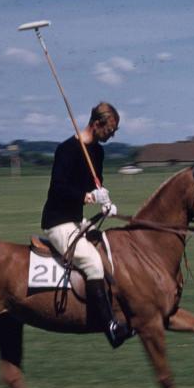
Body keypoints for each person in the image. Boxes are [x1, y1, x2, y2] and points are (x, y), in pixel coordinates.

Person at [41, 102, 132, 348]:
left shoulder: (98, 153)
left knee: (109, 250)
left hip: (77, 220)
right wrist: (87, 197)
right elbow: (58, 188)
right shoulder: (67, 150)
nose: (112, 135)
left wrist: (104, 200)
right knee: (92, 263)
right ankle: (110, 327)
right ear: (96, 124)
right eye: (110, 130)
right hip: (58, 222)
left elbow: (96, 184)